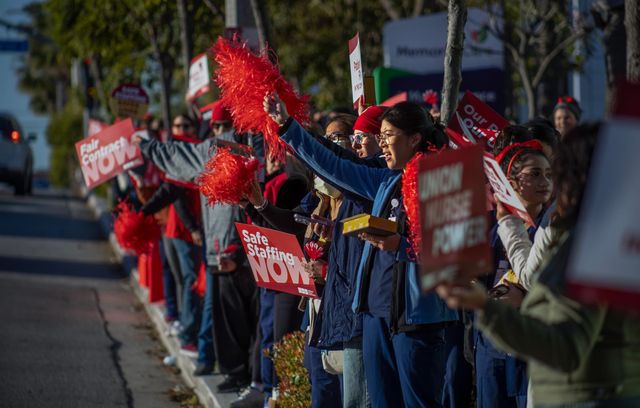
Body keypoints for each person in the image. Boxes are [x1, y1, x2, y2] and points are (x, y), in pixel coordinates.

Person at [264, 94, 457, 408]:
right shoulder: (383, 180)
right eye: (379, 137)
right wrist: (287, 126)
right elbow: (333, 166)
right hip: (374, 316)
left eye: (388, 136)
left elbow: (455, 252)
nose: (381, 144)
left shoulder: (443, 181)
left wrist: (402, 245)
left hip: (417, 320)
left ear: (415, 139)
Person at [437, 123, 640, 407]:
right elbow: (533, 275)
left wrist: (486, 307)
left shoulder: (592, 238)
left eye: (556, 169)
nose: (551, 181)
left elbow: (565, 346)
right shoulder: (597, 228)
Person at [475, 140, 553, 408]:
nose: (545, 182)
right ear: (510, 182)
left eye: (549, 175)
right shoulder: (491, 228)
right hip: (493, 347)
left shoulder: (550, 228)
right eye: (534, 174)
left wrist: (523, 297)